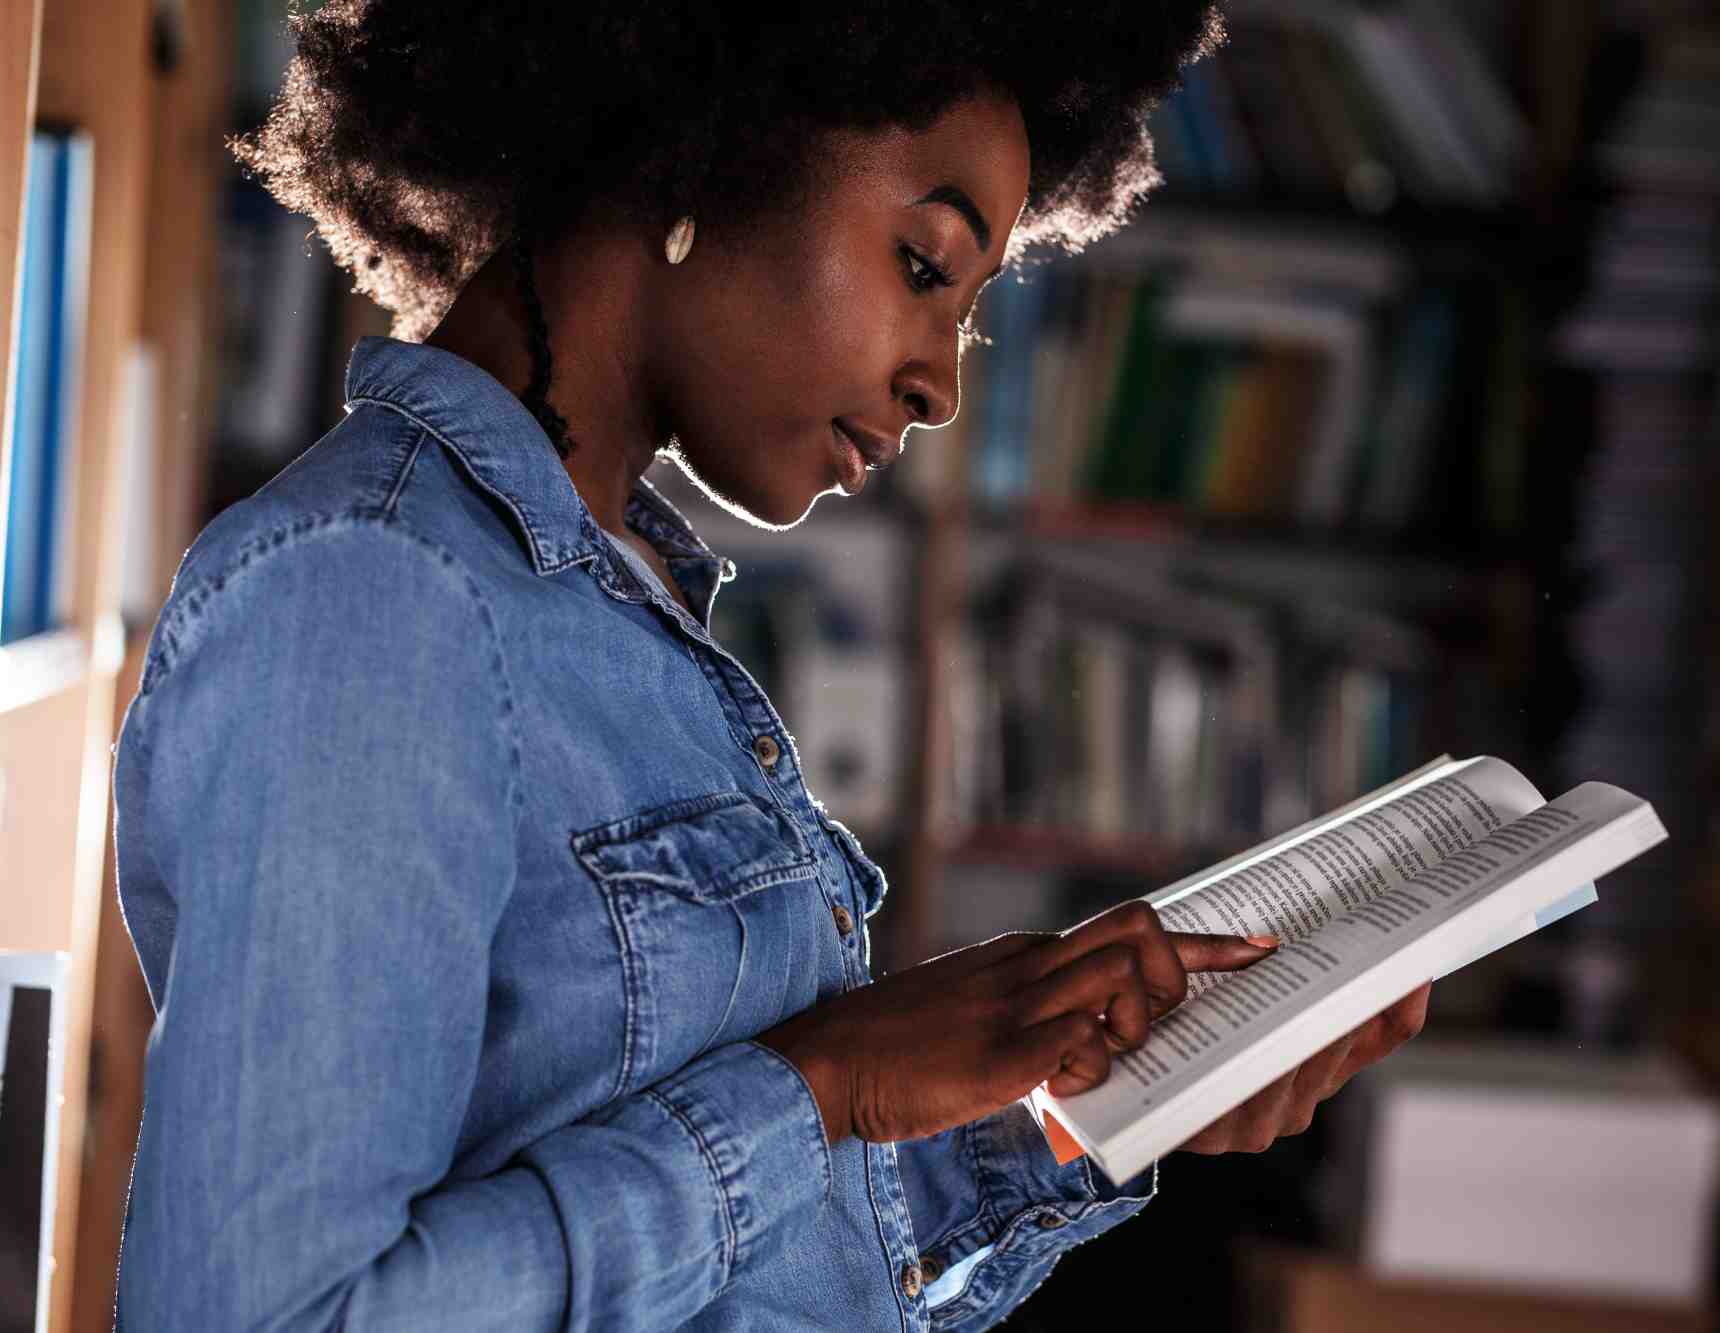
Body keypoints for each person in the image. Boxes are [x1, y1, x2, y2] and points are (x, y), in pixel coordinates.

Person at [107, 2, 1430, 1328]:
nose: (942, 389)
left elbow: (771, 1266)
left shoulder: (618, 610)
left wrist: (1095, 1105)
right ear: (698, 151)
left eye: (967, 315)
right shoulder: (374, 596)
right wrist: (821, 1081)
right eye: (924, 266)